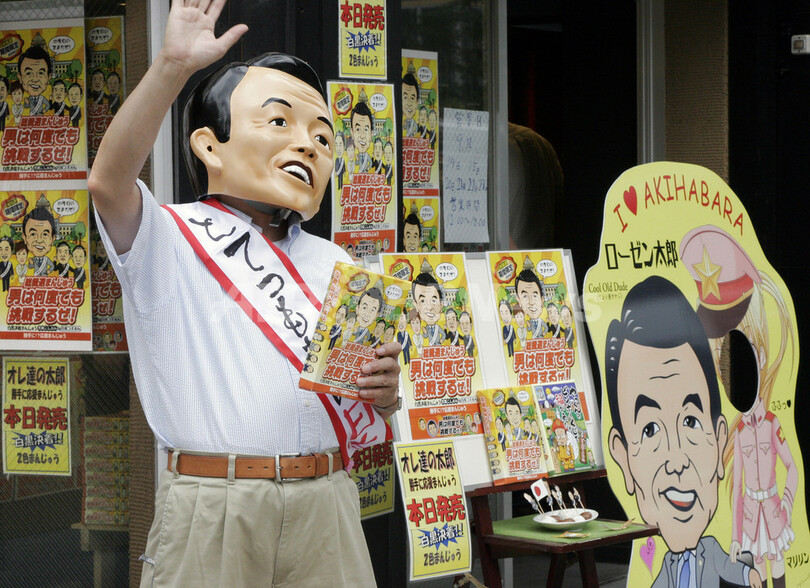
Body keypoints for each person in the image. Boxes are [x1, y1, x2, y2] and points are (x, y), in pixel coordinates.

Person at [86, 2, 401, 586]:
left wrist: (384, 394)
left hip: (327, 499)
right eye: (279, 122)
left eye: (322, 137)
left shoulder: (339, 265)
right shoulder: (168, 237)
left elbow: (364, 405)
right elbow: (108, 181)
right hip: (214, 505)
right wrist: (171, 69)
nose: (308, 146)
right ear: (210, 146)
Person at [605, 276, 761, 588]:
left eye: (690, 422)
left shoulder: (715, 551)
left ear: (719, 441)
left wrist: (749, 574)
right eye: (650, 430)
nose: (676, 461)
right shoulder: (663, 569)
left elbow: (733, 569)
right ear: (623, 459)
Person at [680, 225, 799, 588]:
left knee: (776, 569)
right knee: (753, 572)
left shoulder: (770, 425)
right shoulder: (741, 434)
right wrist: (734, 534)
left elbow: (790, 466)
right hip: (750, 515)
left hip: (774, 511)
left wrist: (788, 504)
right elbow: (737, 490)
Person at [412, 270, 445, 346]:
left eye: (434, 300)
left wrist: (441, 340)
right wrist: (425, 332)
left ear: (441, 305)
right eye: (423, 301)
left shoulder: (438, 327)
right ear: (416, 305)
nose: (429, 307)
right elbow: (426, 336)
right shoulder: (422, 328)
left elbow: (443, 335)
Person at [21, 207, 56, 276]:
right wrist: (31, 263)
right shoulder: (33, 259)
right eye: (33, 234)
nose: (39, 240)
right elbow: (31, 267)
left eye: (45, 234)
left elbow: (52, 266)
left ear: (53, 239)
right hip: (35, 281)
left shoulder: (46, 259)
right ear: (24, 238)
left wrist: (49, 271)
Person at [514, 265, 547, 338]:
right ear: (519, 301)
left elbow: (546, 328)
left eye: (535, 295)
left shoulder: (541, 321)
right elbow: (529, 329)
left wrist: (544, 332)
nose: (531, 302)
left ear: (542, 300)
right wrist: (528, 326)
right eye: (525, 296)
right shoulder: (528, 321)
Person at [19, 46, 51, 116]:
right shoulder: (29, 98)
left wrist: (45, 110)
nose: (35, 79)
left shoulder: (42, 98)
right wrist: (27, 103)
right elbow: (26, 107)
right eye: (28, 73)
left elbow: (48, 105)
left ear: (48, 78)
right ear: (20, 78)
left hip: (41, 120)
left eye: (41, 73)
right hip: (31, 120)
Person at [401, 71, 420, 137]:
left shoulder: (416, 124)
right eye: (405, 97)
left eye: (412, 98)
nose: (409, 103)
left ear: (417, 102)